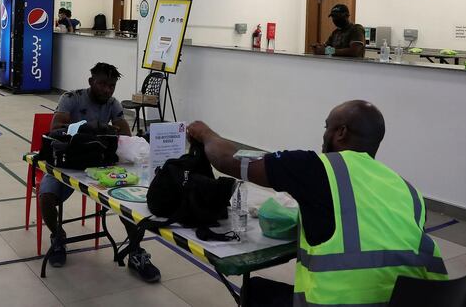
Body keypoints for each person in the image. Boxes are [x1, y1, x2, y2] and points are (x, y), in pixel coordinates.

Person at [187, 100, 447, 307]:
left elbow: (230, 160)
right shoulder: (406, 189)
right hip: (410, 302)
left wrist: (205, 133)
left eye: (327, 127)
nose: (323, 135)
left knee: (255, 292)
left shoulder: (314, 168)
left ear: (341, 133)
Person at [39, 62, 161, 283]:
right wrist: (89, 128)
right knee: (46, 197)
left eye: (112, 86)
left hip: (100, 166)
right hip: (69, 162)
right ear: (91, 82)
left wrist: (119, 134)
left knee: (127, 205)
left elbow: (124, 132)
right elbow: (55, 128)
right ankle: (58, 236)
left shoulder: (112, 103)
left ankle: (135, 252)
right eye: (103, 84)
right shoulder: (72, 98)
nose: (107, 90)